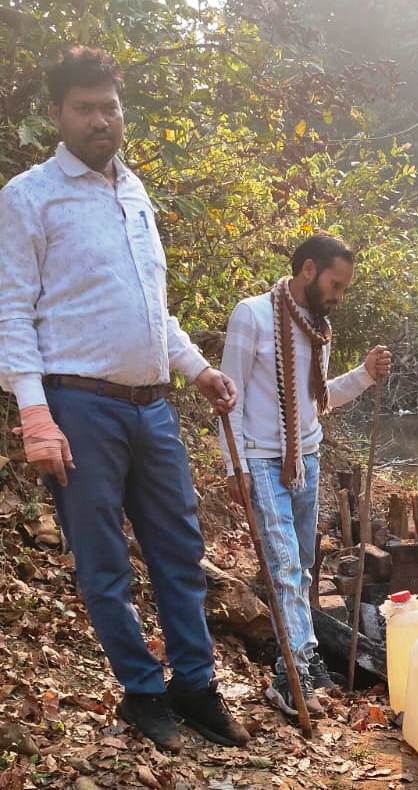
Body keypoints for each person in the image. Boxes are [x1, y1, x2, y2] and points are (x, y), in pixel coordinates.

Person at [0, 47, 249, 753]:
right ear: (56, 114)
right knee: (104, 562)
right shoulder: (29, 196)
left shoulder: (134, 192)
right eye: (84, 108)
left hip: (153, 406)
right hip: (78, 407)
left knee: (180, 552)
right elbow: (11, 311)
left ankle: (195, 688)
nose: (100, 120)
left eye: (109, 106)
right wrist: (34, 412)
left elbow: (151, 305)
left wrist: (197, 368)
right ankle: (143, 693)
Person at [220, 233, 391, 717]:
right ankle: (298, 668)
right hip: (261, 458)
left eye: (344, 289)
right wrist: (234, 466)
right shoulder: (252, 315)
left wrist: (364, 373)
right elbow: (228, 398)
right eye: (336, 285)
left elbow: (319, 402)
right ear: (309, 269)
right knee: (285, 565)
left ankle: (294, 667)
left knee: (303, 563)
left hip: (306, 457)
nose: (339, 296)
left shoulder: (319, 328)